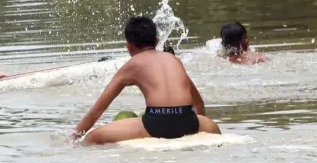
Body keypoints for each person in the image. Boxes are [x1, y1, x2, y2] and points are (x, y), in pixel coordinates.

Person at [70, 16, 221, 145]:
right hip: (188, 121)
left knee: (91, 138)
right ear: (156, 41)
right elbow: (199, 103)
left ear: (129, 46)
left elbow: (98, 109)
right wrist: (198, 133)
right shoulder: (173, 59)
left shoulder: (132, 65)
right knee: (213, 127)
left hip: (156, 125)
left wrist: (73, 138)